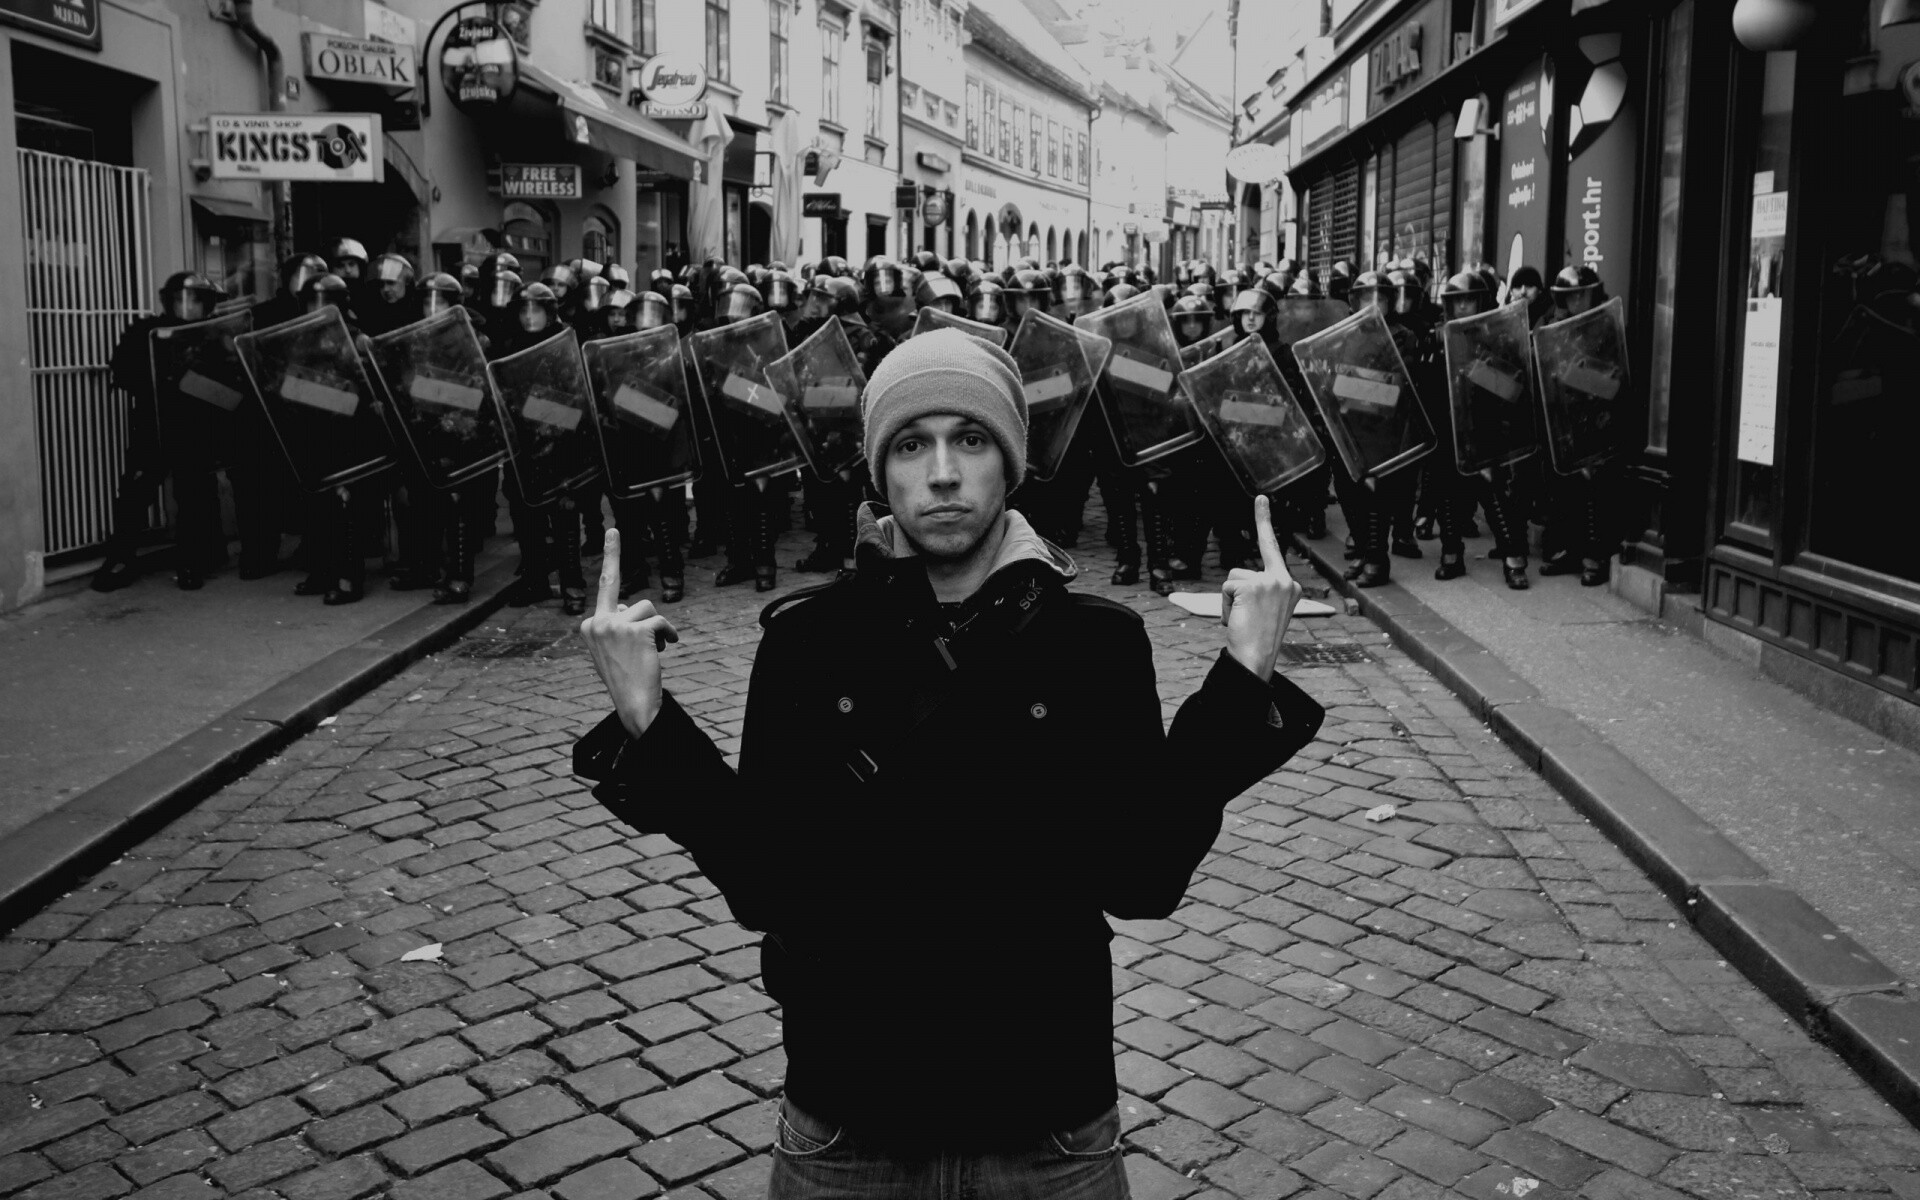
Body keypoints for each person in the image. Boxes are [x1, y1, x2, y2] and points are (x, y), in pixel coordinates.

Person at [574, 328, 1324, 1200]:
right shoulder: (810, 642)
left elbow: (1142, 876)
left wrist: (1242, 681)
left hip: (1047, 1124)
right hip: (850, 1122)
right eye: (910, 444)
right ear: (879, 472)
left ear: (1009, 464)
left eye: (970, 439)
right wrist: (649, 720)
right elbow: (766, 882)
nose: (941, 473)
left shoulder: (1093, 644)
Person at [92, 272, 273, 592]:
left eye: (195, 300)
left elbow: (235, 384)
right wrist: (160, 375)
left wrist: (196, 381)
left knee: (194, 491)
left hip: (200, 427)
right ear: (169, 302)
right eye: (180, 300)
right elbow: (123, 369)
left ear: (207, 304)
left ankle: (195, 559)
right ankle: (120, 556)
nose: (187, 307)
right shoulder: (147, 331)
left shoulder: (219, 335)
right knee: (136, 489)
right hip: (155, 424)